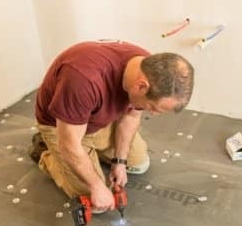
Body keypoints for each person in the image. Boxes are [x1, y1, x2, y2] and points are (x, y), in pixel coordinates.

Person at [30, 41, 194, 212]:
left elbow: (131, 115)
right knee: (96, 202)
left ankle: (91, 155)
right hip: (62, 127)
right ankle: (45, 153)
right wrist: (95, 186)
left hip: (99, 119)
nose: (152, 113)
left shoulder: (147, 67)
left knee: (138, 165)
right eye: (153, 108)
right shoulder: (83, 79)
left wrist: (120, 162)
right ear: (141, 86)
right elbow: (70, 145)